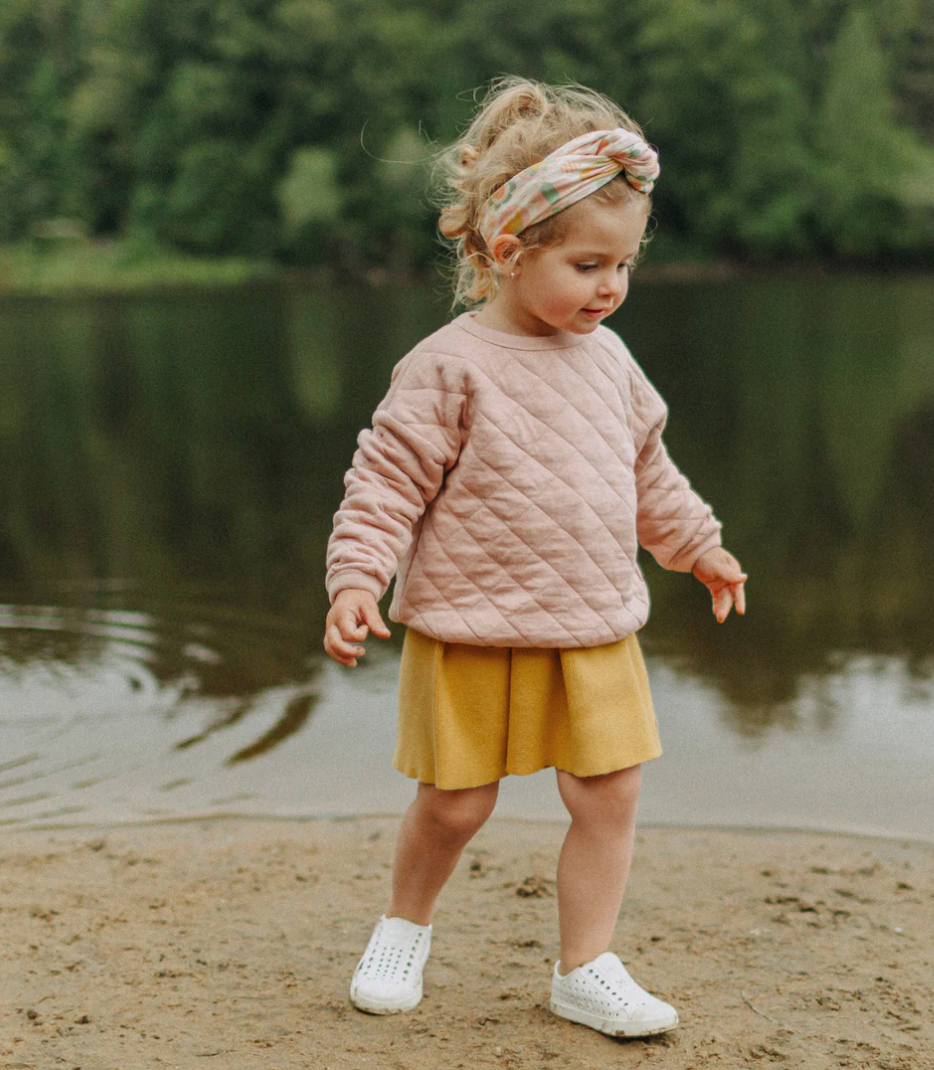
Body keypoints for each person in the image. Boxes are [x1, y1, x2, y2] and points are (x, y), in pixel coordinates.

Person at [323, 77, 747, 1039]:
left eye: (626, 265)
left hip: (593, 619)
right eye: (590, 264)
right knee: (456, 805)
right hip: (471, 622)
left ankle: (585, 965)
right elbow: (384, 483)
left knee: (610, 794)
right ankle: (403, 927)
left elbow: (648, 473)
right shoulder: (449, 366)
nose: (611, 287)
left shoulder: (613, 361)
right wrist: (355, 578)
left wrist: (701, 547)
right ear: (510, 252)